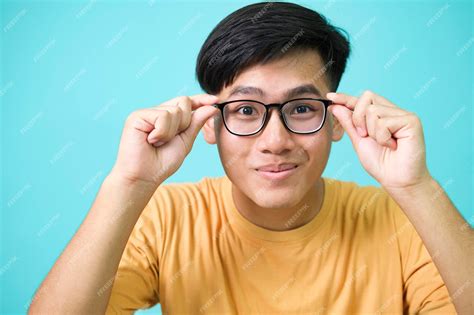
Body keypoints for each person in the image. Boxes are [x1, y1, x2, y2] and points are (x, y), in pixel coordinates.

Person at [29, 2, 473, 314]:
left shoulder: (403, 219)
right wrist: (127, 184)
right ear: (209, 123)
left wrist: (418, 188)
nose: (275, 141)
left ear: (339, 119)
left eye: (301, 108)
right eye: (245, 110)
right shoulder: (167, 218)